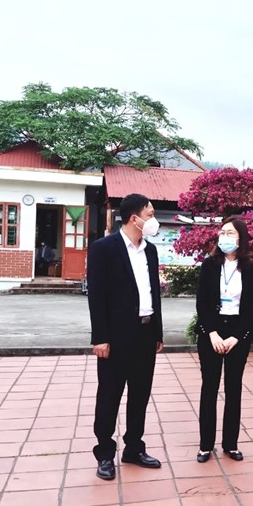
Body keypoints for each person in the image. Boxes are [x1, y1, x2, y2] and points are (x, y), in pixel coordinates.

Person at [87, 193, 164, 481]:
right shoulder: (104, 249)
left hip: (145, 332)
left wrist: (157, 332)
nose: (154, 220)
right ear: (135, 218)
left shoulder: (150, 250)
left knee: (140, 395)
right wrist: (100, 337)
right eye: (150, 214)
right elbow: (97, 297)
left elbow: (153, 292)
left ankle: (134, 448)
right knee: (109, 395)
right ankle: (105, 453)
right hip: (116, 337)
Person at [195, 216, 253, 463]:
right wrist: (211, 333)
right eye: (222, 232)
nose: (224, 237)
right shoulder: (209, 265)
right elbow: (202, 302)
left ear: (241, 238)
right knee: (209, 387)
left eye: (230, 233)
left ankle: (230, 444)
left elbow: (252, 306)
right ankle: (205, 445)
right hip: (211, 331)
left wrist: (236, 337)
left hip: (237, 332)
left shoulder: (251, 268)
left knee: (234, 388)